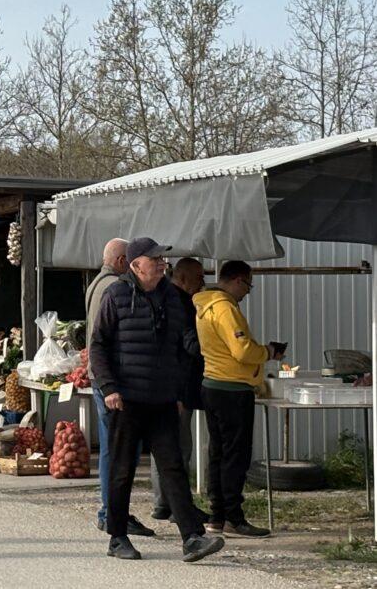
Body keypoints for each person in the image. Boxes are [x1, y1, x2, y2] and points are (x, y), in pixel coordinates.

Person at [89, 237, 223, 563]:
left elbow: (183, 350)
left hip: (163, 399)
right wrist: (109, 389)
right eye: (156, 259)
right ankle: (117, 537)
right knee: (123, 470)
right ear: (136, 265)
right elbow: (98, 346)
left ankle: (192, 538)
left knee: (173, 467)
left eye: (163, 259)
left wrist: (180, 393)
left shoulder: (175, 299)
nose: (163, 264)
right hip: (126, 399)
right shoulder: (116, 295)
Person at [195, 261, 283, 538]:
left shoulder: (204, 304)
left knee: (218, 453)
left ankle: (217, 515)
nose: (247, 292)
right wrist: (268, 352)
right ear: (236, 280)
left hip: (213, 385)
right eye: (247, 285)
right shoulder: (224, 308)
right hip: (232, 389)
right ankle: (234, 516)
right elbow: (243, 351)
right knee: (235, 456)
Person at [85, 239, 152, 536]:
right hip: (112, 380)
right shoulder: (113, 287)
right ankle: (112, 513)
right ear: (125, 261)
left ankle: (112, 511)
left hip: (103, 377)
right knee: (119, 449)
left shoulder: (95, 283)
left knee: (114, 447)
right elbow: (107, 338)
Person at [152, 258, 208, 522]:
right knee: (180, 447)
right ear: (183, 278)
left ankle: (163, 503)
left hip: (161, 384)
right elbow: (188, 346)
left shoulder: (158, 297)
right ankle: (179, 507)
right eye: (198, 278)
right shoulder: (182, 304)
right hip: (178, 386)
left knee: (163, 445)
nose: (202, 283)